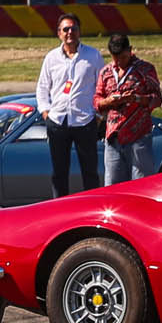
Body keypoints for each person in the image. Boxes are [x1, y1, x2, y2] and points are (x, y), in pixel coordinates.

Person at [35, 13, 104, 197]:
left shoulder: (93, 56)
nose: (70, 32)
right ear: (59, 33)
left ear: (80, 31)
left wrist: (98, 116)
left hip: (85, 121)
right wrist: (46, 113)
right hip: (57, 121)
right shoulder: (51, 58)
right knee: (59, 173)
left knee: (90, 172)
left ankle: (91, 207)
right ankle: (60, 208)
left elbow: (102, 86)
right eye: (66, 29)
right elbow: (42, 87)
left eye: (74, 28)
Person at [95, 33, 161, 186]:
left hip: (139, 136)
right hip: (113, 138)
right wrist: (109, 101)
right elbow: (97, 101)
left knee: (141, 185)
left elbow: (157, 99)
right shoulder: (106, 72)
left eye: (123, 58)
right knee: (112, 186)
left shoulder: (145, 70)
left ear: (130, 50)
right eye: (115, 58)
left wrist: (136, 99)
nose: (119, 62)